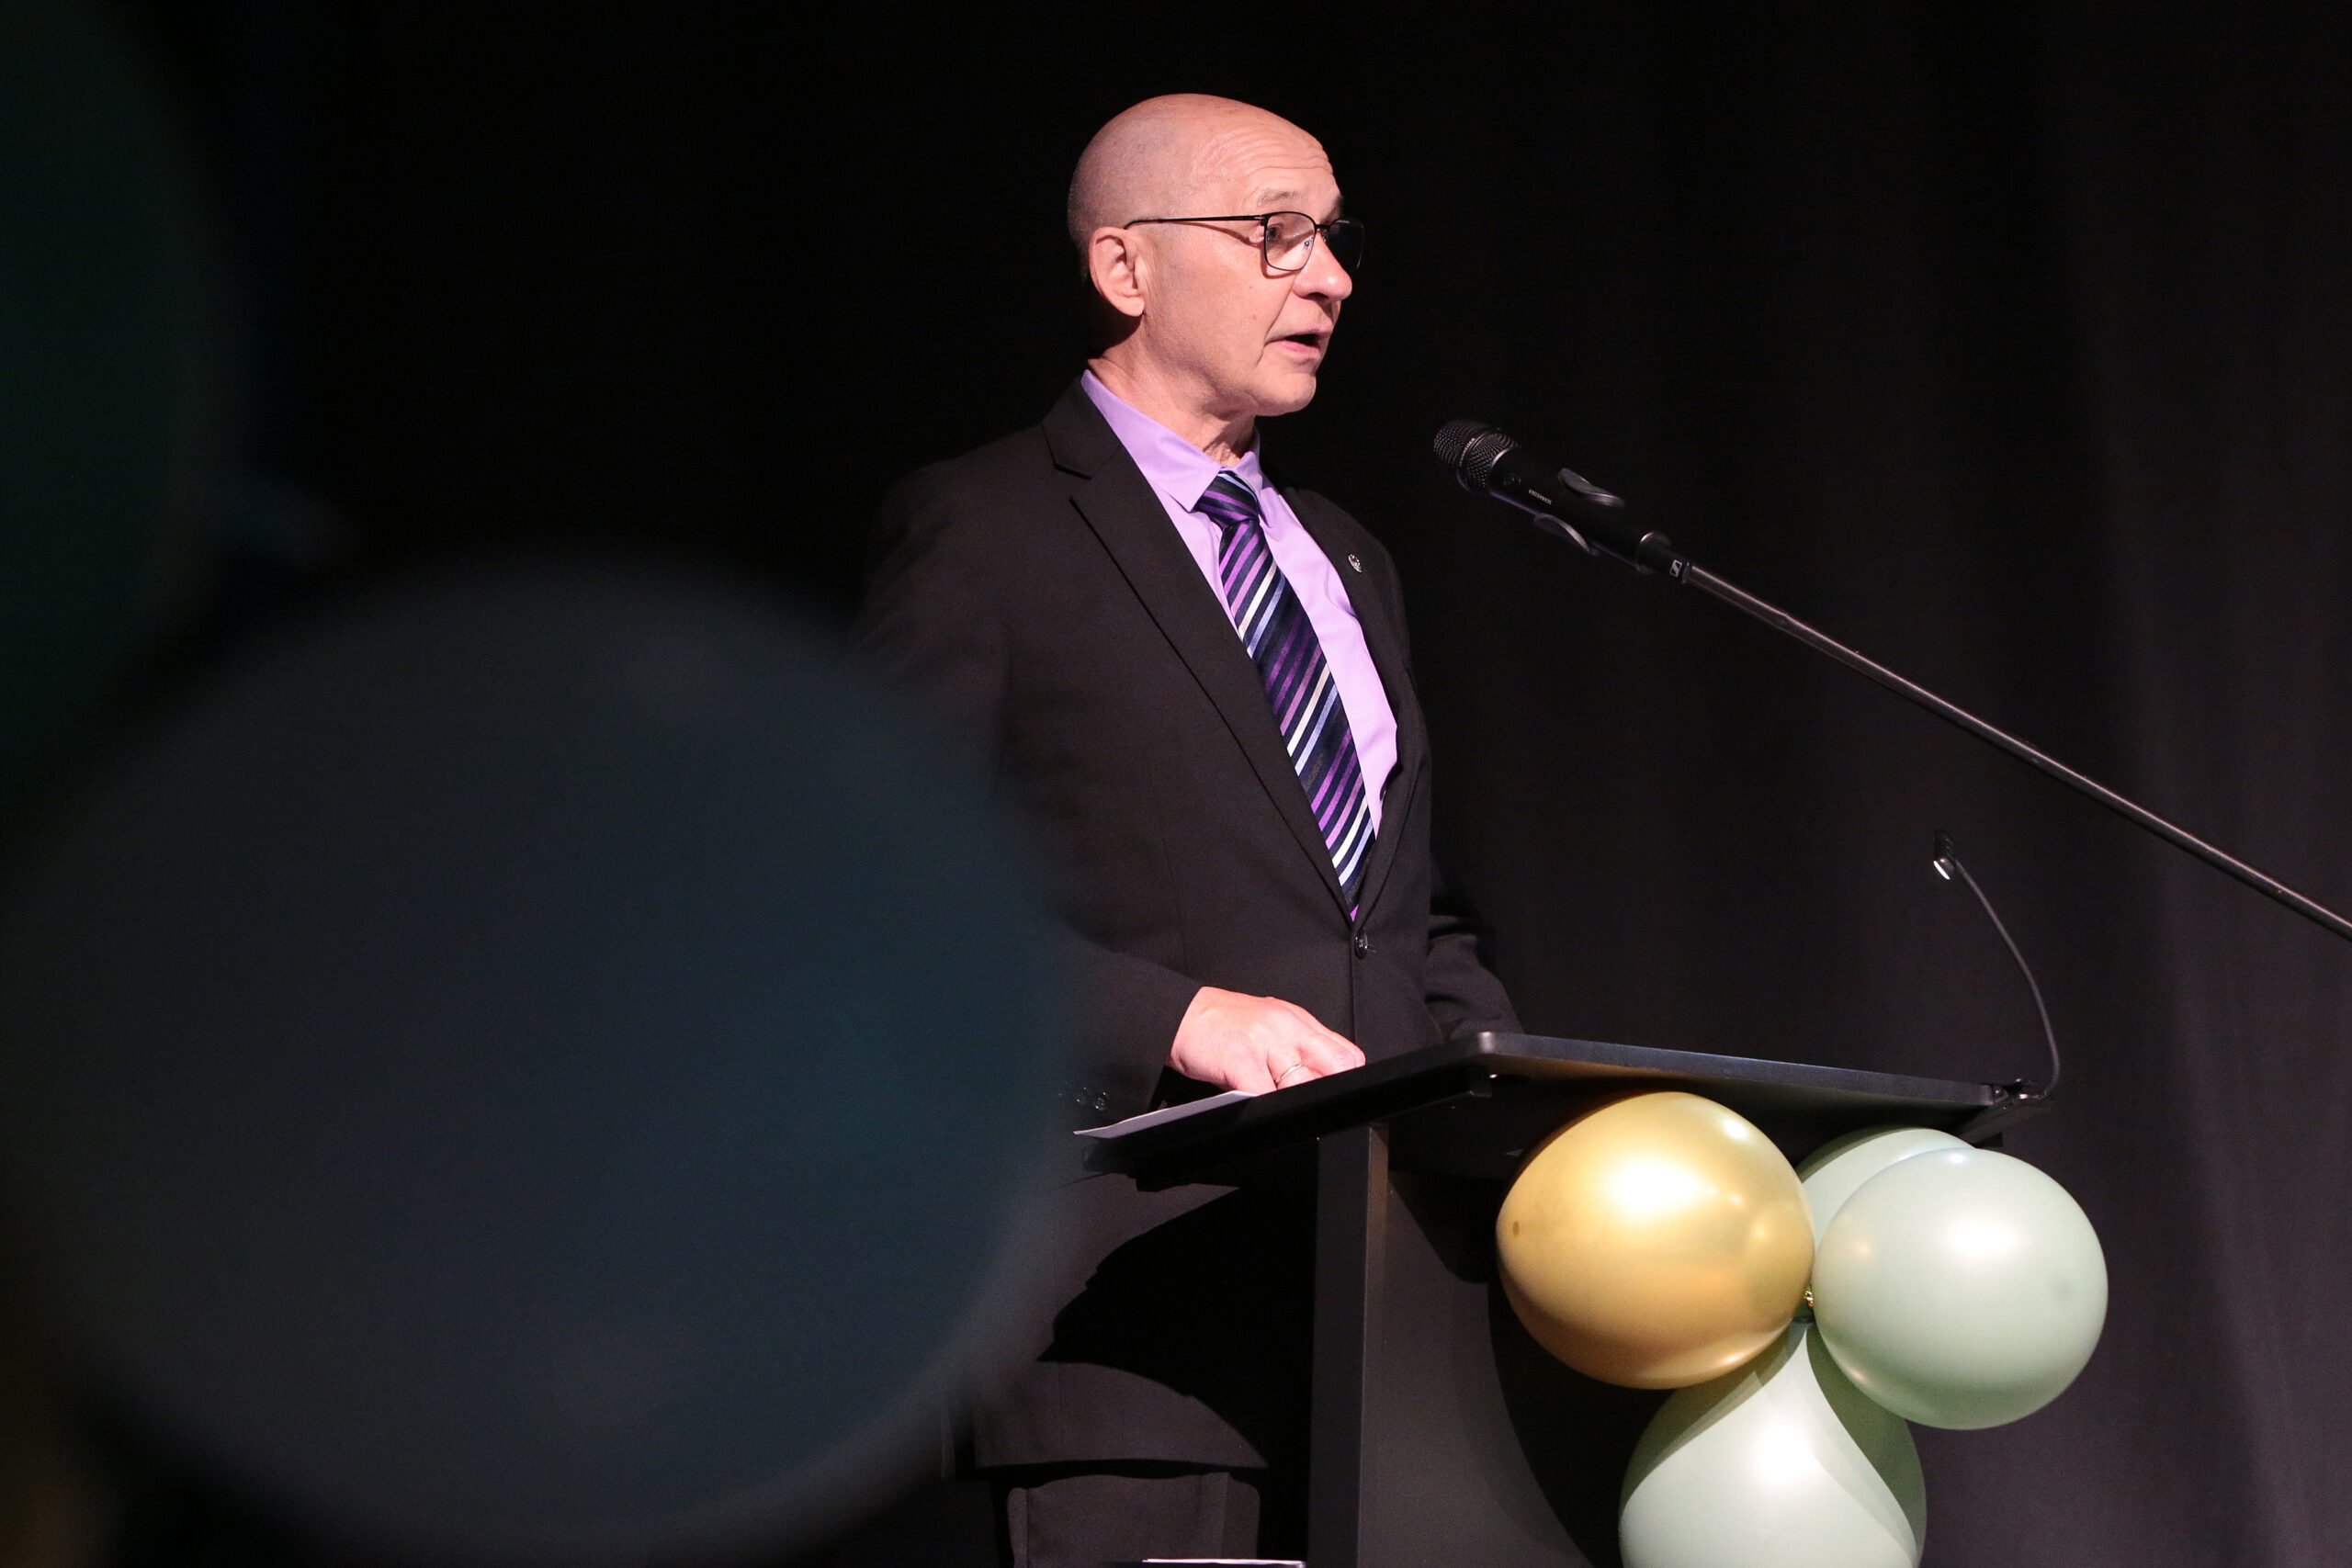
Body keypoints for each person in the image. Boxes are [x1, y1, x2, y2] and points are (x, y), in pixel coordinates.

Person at [855, 93, 1518, 1568]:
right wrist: (1177, 1016)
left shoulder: (1346, 556)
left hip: (1397, 1334)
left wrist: (1512, 1107)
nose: (1328, 277)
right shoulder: (987, 528)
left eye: (1334, 239)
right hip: (1137, 1325)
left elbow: (1410, 914)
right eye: (1276, 233)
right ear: (1125, 267)